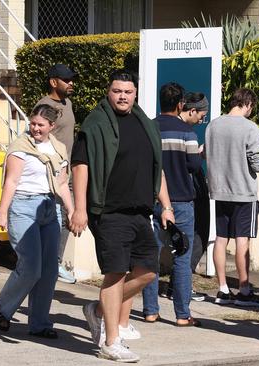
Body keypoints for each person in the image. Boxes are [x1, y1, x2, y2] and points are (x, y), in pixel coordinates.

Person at [69, 70, 174, 363]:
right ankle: (111, 341)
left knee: (149, 272)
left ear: (136, 93)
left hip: (141, 212)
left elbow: (158, 168)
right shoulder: (96, 124)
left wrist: (166, 205)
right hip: (109, 211)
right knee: (115, 274)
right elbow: (80, 166)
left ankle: (99, 310)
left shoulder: (145, 124)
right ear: (108, 91)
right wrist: (79, 208)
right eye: (117, 91)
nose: (123, 96)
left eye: (128, 92)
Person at [0, 104, 73, 339]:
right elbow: (11, 181)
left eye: (41, 125)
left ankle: (39, 323)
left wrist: (72, 210)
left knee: (48, 271)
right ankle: (4, 308)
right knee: (30, 266)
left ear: (52, 126)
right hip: (23, 207)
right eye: (33, 123)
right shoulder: (21, 147)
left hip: (50, 208)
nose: (35, 128)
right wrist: (2, 212)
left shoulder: (58, 149)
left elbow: (61, 184)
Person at [141, 83, 203, 326]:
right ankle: (182, 314)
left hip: (152, 200)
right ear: (180, 105)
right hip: (182, 201)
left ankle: (150, 310)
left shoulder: (149, 128)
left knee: (150, 256)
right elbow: (195, 166)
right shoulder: (187, 132)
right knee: (182, 256)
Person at [205, 87, 259, 307]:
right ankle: (243, 289)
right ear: (248, 104)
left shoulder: (213, 125)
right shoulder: (250, 128)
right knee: (243, 240)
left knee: (221, 239)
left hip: (219, 190)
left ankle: (222, 288)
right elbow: (258, 164)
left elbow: (206, 153)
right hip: (243, 191)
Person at [165, 91, 211, 302]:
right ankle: (181, 293)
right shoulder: (187, 133)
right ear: (191, 110)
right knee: (189, 244)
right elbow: (192, 165)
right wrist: (199, 154)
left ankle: (155, 304)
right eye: (202, 115)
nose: (203, 120)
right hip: (184, 193)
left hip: (160, 193)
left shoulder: (156, 126)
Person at [36, 63, 78, 285]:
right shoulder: (45, 105)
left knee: (67, 219)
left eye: (71, 80)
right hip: (52, 173)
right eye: (66, 80)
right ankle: (52, 263)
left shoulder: (67, 103)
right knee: (57, 219)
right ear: (54, 82)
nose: (71, 84)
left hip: (67, 172)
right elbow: (37, 135)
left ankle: (54, 262)